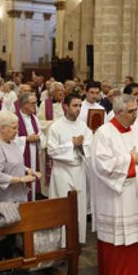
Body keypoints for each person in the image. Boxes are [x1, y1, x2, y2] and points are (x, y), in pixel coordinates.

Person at [89, 94, 138, 275]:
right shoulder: (104, 133)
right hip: (116, 198)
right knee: (119, 244)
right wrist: (129, 160)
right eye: (132, 111)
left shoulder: (136, 130)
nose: (136, 115)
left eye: (137, 109)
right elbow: (101, 165)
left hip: (136, 196)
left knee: (136, 243)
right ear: (117, 113)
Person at [0, 110, 39, 260]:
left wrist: (28, 170)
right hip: (1, 198)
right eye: (14, 127)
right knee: (1, 236)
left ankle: (11, 263)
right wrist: (21, 180)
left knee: (12, 232)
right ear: (2, 128)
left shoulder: (10, 142)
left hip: (14, 195)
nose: (17, 131)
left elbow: (15, 162)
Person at [47, 94, 92, 244]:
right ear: (65, 106)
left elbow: (90, 146)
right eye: (75, 105)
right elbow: (51, 151)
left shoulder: (83, 126)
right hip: (62, 171)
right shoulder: (56, 126)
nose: (78, 109)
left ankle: (76, 240)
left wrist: (82, 146)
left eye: (80, 105)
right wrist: (71, 144)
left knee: (79, 206)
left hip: (78, 170)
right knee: (63, 207)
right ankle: (61, 242)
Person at [15, 92, 44, 200]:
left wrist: (39, 137)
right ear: (24, 104)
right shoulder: (14, 118)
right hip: (21, 156)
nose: (35, 106)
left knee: (32, 189)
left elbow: (41, 133)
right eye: (33, 103)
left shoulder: (34, 118)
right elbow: (9, 140)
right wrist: (26, 139)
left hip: (34, 154)